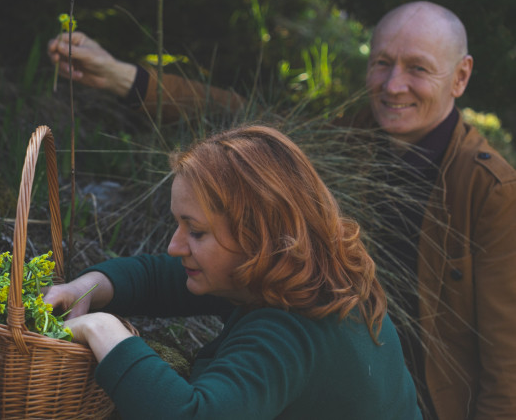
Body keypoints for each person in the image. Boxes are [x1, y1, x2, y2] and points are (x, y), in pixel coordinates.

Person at [48, 1, 516, 419]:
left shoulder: (493, 190)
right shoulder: (316, 253)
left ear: (461, 76)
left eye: (417, 68)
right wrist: (97, 284)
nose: (394, 85)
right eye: (382, 64)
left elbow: (508, 357)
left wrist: (106, 332)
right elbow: (243, 119)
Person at [44, 125, 422, 419]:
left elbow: (189, 415)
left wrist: (102, 329)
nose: (176, 246)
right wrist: (89, 285)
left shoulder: (290, 331)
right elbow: (163, 276)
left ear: (257, 238)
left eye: (196, 231)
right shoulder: (308, 276)